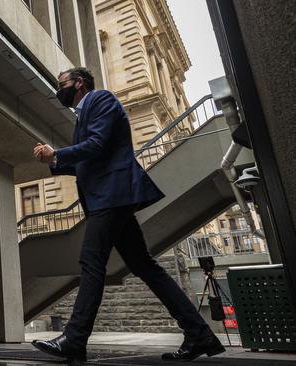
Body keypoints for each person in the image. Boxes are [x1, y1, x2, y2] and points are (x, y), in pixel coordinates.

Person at [31, 67, 224, 363]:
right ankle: (199, 334)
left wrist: (58, 153)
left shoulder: (100, 100)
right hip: (110, 195)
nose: (60, 91)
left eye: (62, 85)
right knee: (144, 265)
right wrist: (55, 160)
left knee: (92, 260)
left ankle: (75, 337)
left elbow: (96, 145)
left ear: (79, 83)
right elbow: (91, 158)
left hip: (113, 193)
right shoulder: (84, 114)